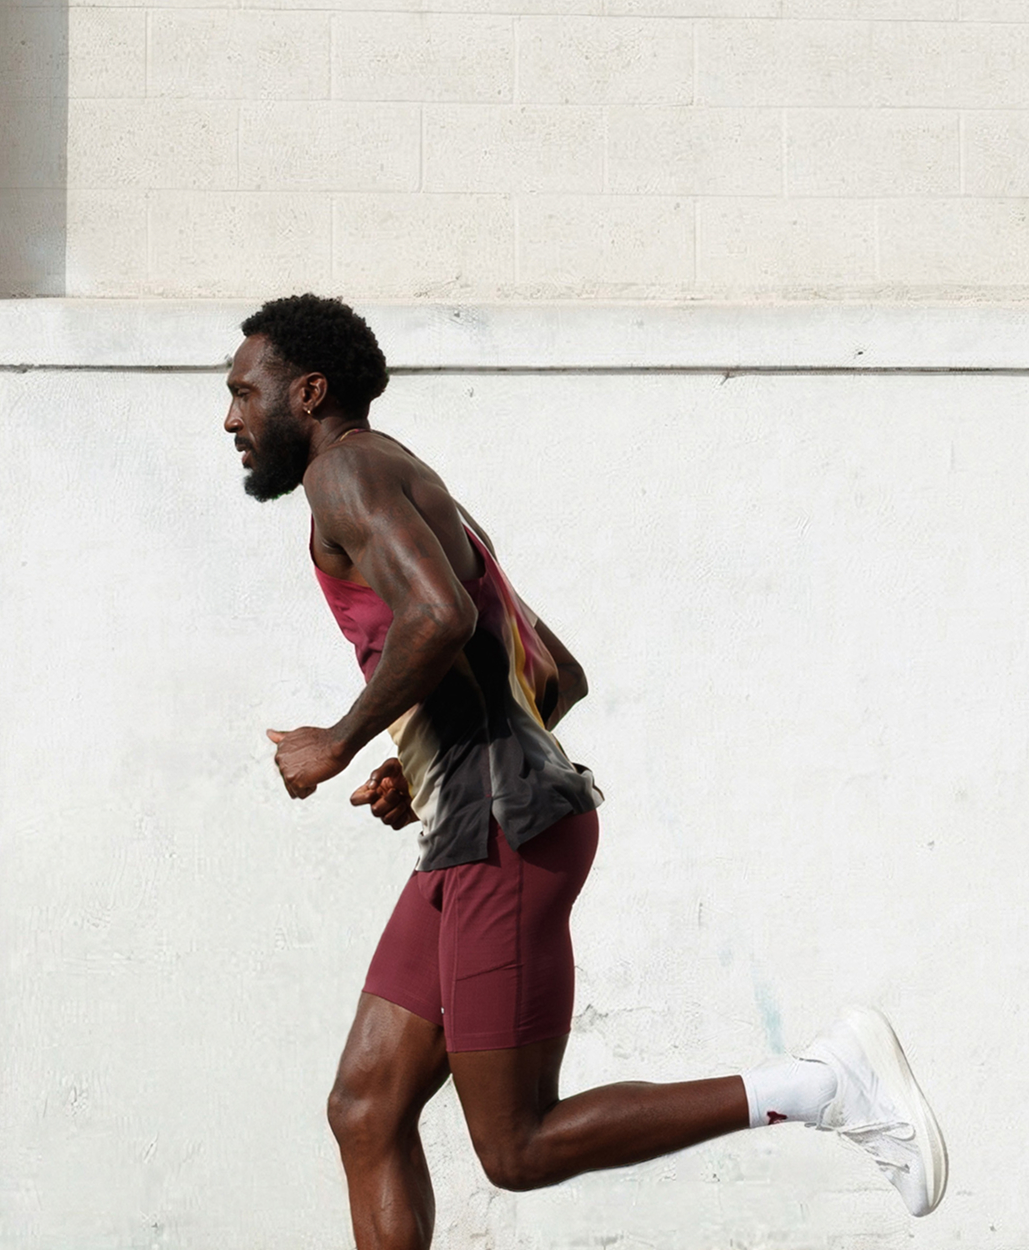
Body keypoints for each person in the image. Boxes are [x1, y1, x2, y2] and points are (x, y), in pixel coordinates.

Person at [225, 293, 947, 1248]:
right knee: (366, 1108)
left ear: (308, 392)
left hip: (502, 827)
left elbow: (438, 619)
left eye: (244, 392)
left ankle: (819, 1085)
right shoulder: (404, 475)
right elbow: (555, 673)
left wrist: (343, 738)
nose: (231, 418)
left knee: (516, 1147)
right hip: (475, 821)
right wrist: (421, 752)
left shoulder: (345, 474)